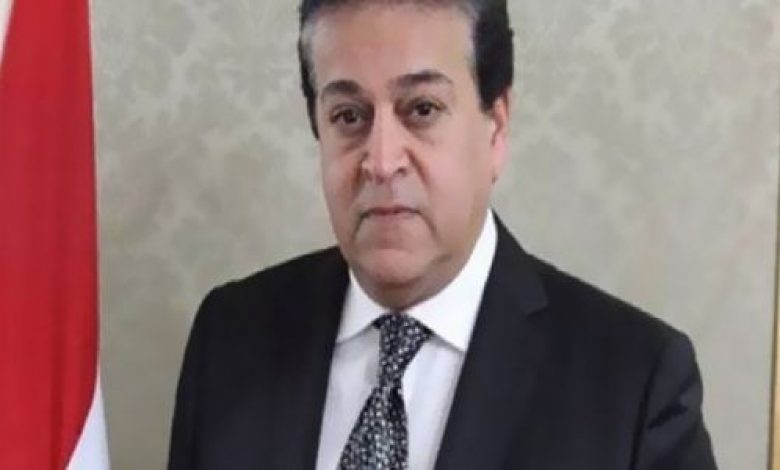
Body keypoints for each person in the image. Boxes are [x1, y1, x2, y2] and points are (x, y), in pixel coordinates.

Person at [168, 1, 717, 469]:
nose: (381, 161)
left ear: (496, 126)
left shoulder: (635, 385)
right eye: (349, 116)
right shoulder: (230, 338)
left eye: (422, 109)